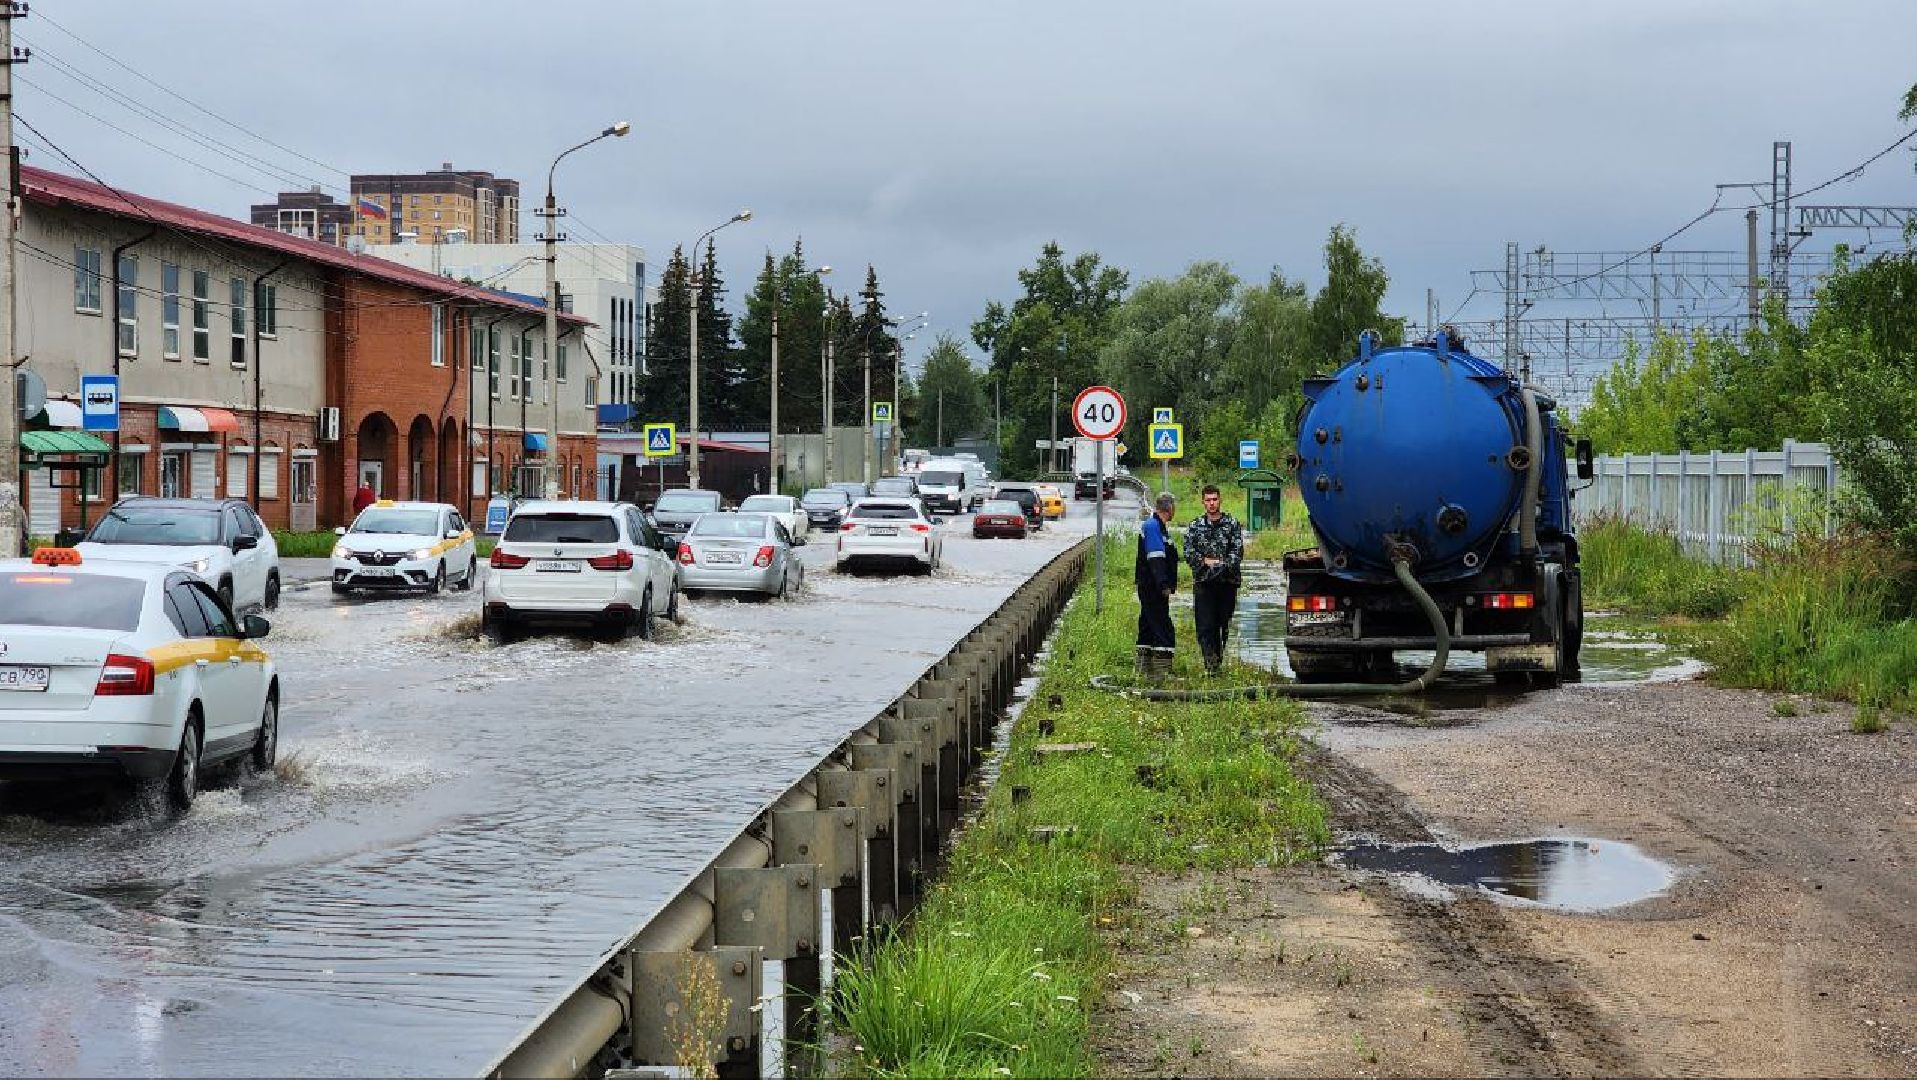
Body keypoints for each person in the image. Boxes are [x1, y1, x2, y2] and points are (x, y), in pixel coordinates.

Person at [1186, 484, 1245, 674]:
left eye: (1215, 499)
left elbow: (1237, 552)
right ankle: (1210, 663)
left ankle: (1218, 660)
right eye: (1208, 500)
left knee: (1223, 624)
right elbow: (1188, 552)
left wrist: (1221, 564)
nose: (1212, 503)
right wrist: (1205, 562)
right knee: (1205, 625)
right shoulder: (1195, 526)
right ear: (1203, 502)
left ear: (1220, 500)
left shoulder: (1232, 524)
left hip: (1227, 583)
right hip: (1204, 583)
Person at [1134, 491, 1179, 680]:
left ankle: (1143, 669)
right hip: (1153, 587)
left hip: (1149, 585)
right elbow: (1156, 558)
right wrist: (1163, 585)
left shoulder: (1157, 527)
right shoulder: (1153, 527)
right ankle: (1161, 672)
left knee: (1147, 624)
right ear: (1169, 509)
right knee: (1162, 627)